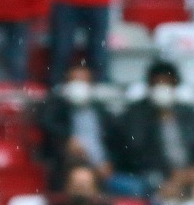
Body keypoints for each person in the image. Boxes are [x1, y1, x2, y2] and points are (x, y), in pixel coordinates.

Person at [114, 61, 194, 195]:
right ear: (150, 86)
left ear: (175, 86)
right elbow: (136, 150)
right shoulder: (135, 114)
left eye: (167, 83)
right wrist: (157, 118)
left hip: (191, 174)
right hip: (153, 176)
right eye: (158, 83)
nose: (162, 88)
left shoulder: (188, 113)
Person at [36, 63, 127, 193]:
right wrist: (67, 138)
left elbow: (117, 142)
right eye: (74, 81)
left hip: (104, 171)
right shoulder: (57, 107)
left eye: (83, 81)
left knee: (135, 188)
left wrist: (110, 163)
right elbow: (46, 122)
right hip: (69, 171)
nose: (79, 86)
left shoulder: (100, 110)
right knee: (81, 183)